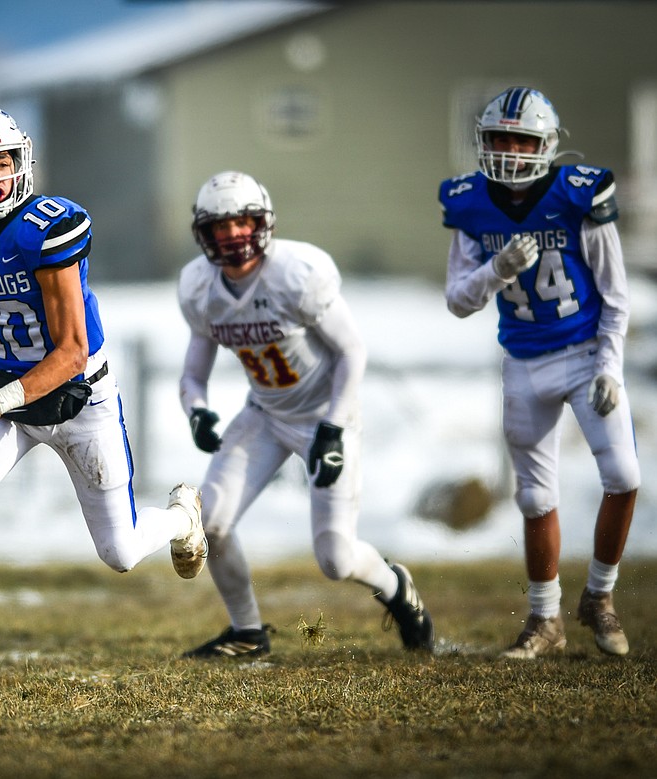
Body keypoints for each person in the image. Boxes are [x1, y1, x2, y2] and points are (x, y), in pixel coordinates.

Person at [0, 102, 207, 705]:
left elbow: (72, 351)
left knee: (122, 552)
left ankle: (183, 517)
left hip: (77, 396)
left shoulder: (48, 226)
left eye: (3, 160)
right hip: (5, 390)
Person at [177, 170, 434, 659]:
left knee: (336, 559)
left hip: (325, 415)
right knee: (209, 522)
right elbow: (193, 374)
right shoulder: (200, 288)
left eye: (243, 222)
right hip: (265, 414)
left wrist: (335, 427)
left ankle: (397, 588)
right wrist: (198, 412)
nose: (233, 235)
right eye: (220, 226)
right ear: (203, 234)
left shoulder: (296, 273)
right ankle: (247, 632)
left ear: (263, 222)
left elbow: (352, 351)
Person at [440, 86, 640, 659]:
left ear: (546, 146)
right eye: (497, 138)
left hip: (582, 354)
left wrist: (608, 365)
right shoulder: (469, 203)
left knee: (624, 476)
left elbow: (616, 294)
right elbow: (458, 300)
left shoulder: (579, 193)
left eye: (519, 140)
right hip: (524, 361)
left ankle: (599, 598)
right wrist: (496, 271)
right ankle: (543, 617)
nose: (506, 151)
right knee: (533, 497)